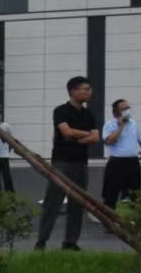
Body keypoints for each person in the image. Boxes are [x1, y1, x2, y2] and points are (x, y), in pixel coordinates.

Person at [36, 77, 99, 251]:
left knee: (77, 203)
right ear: (73, 91)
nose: (88, 92)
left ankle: (70, 242)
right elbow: (66, 132)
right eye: (85, 89)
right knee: (53, 202)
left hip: (81, 163)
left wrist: (76, 136)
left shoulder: (88, 114)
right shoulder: (61, 111)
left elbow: (95, 138)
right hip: (61, 163)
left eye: (89, 89)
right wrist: (84, 135)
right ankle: (41, 241)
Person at [101, 99, 141, 209]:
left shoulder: (134, 123)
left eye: (128, 108)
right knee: (111, 192)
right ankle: (109, 214)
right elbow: (109, 141)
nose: (127, 110)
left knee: (135, 192)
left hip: (133, 161)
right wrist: (121, 126)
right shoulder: (110, 124)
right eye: (124, 108)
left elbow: (140, 138)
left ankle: (134, 214)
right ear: (117, 111)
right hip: (117, 162)